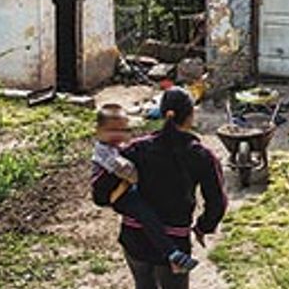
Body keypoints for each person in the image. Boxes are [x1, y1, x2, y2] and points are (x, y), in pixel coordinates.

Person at [93, 88, 227, 289]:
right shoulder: (202, 156)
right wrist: (202, 227)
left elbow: (101, 194)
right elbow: (217, 202)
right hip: (175, 241)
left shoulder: (136, 149)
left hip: (134, 238)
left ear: (163, 113)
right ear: (190, 115)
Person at [91, 103, 199, 274]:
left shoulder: (117, 147)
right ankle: (172, 253)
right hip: (114, 195)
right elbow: (124, 170)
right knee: (147, 216)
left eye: (122, 131)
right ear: (98, 131)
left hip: (124, 192)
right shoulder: (103, 151)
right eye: (111, 130)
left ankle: (171, 253)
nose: (117, 135)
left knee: (149, 216)